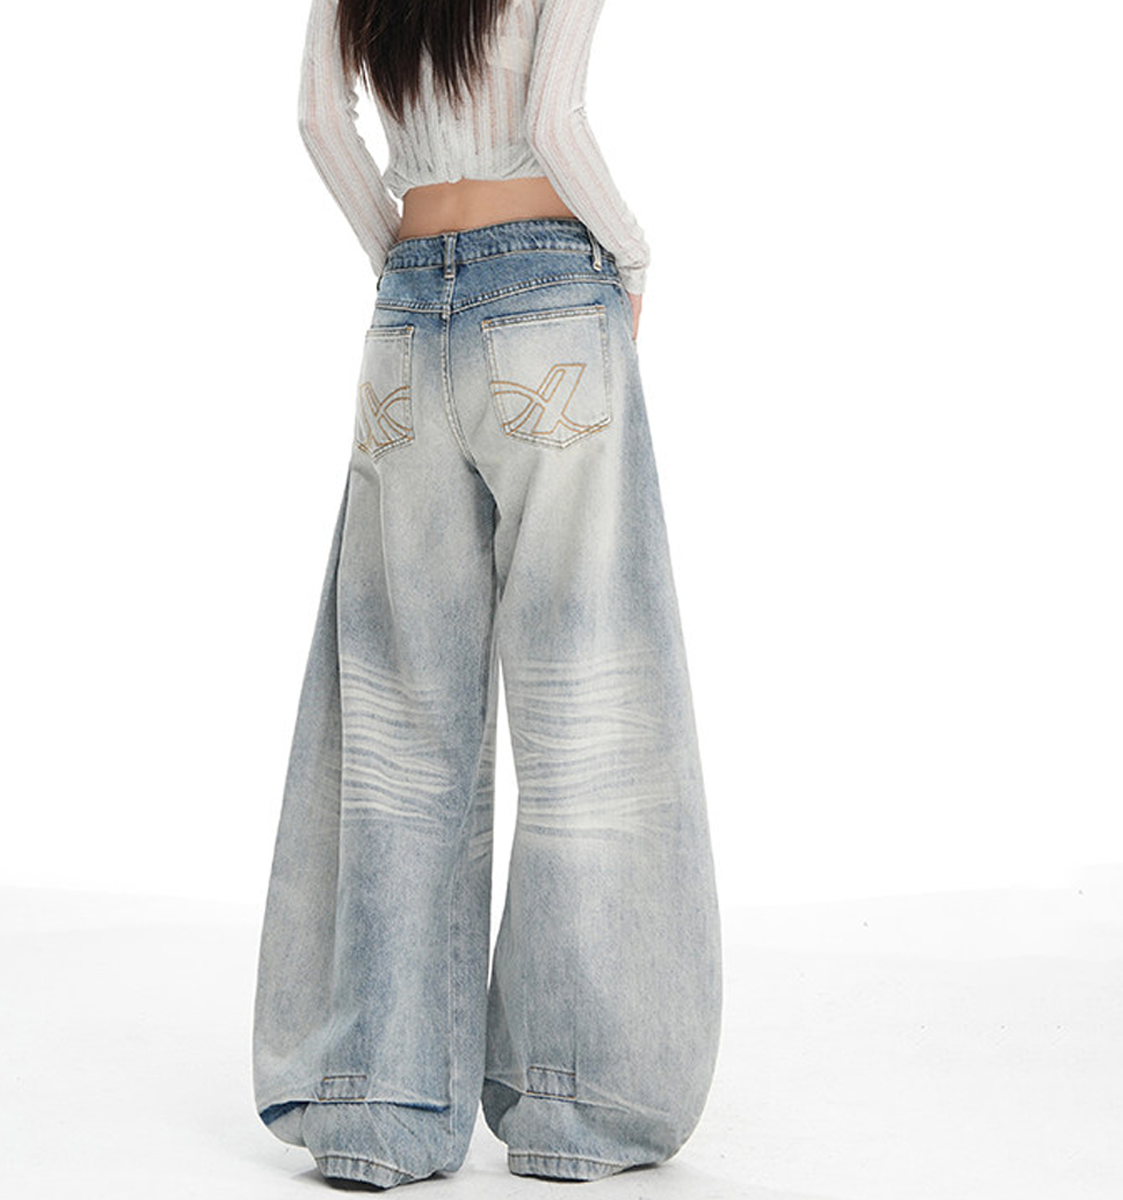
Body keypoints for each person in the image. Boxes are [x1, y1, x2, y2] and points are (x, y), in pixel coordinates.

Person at [251, 0, 723, 1187]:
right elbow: (555, 119)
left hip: (405, 326)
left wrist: (406, 264)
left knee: (400, 720)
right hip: (551, 301)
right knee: (588, 705)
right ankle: (578, 1105)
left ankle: (378, 1107)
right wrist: (631, 257)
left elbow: (319, 121)